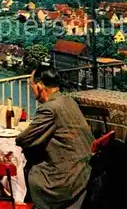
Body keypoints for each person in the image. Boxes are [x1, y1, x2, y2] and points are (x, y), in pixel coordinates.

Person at [16, 65, 94, 209]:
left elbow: (22, 140)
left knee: (31, 171)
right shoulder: (68, 100)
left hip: (68, 181)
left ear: (40, 86)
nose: (31, 90)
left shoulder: (49, 108)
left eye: (31, 85)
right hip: (86, 170)